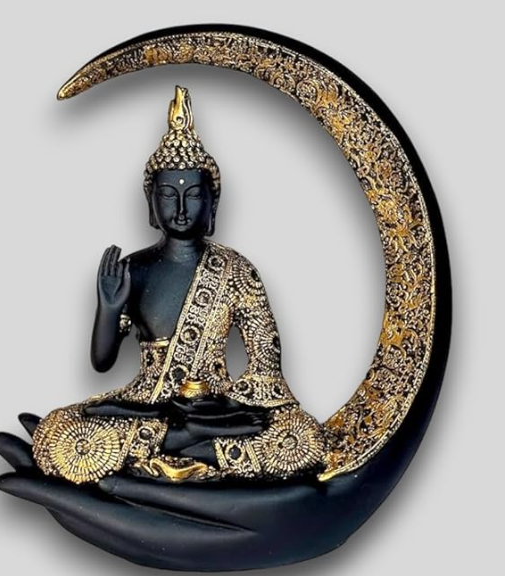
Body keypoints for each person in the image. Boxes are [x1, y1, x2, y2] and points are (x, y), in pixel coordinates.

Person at [32, 86, 325, 484]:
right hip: (148, 404)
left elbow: (266, 371)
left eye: (194, 195)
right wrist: (108, 308)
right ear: (151, 204)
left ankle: (167, 448)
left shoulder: (236, 270)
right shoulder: (133, 268)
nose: (182, 209)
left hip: (216, 407)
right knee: (62, 431)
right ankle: (192, 446)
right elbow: (101, 362)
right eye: (169, 195)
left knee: (300, 438)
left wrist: (226, 407)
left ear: (213, 205)